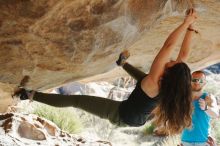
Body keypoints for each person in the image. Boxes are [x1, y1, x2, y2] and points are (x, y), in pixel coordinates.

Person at [14, 9, 197, 135]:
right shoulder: (172, 83)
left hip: (124, 116)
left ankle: (29, 95)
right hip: (140, 113)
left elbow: (168, 46)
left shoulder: (156, 81)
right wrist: (191, 28)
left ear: (170, 73)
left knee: (76, 101)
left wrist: (185, 21)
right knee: (146, 82)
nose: (171, 61)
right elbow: (184, 54)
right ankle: (122, 63)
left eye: (172, 64)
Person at [181, 71, 219, 146]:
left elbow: (215, 114)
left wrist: (206, 108)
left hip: (204, 141)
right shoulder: (183, 99)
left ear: (205, 82)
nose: (197, 82)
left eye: (201, 80)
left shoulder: (209, 98)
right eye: (194, 80)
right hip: (185, 141)